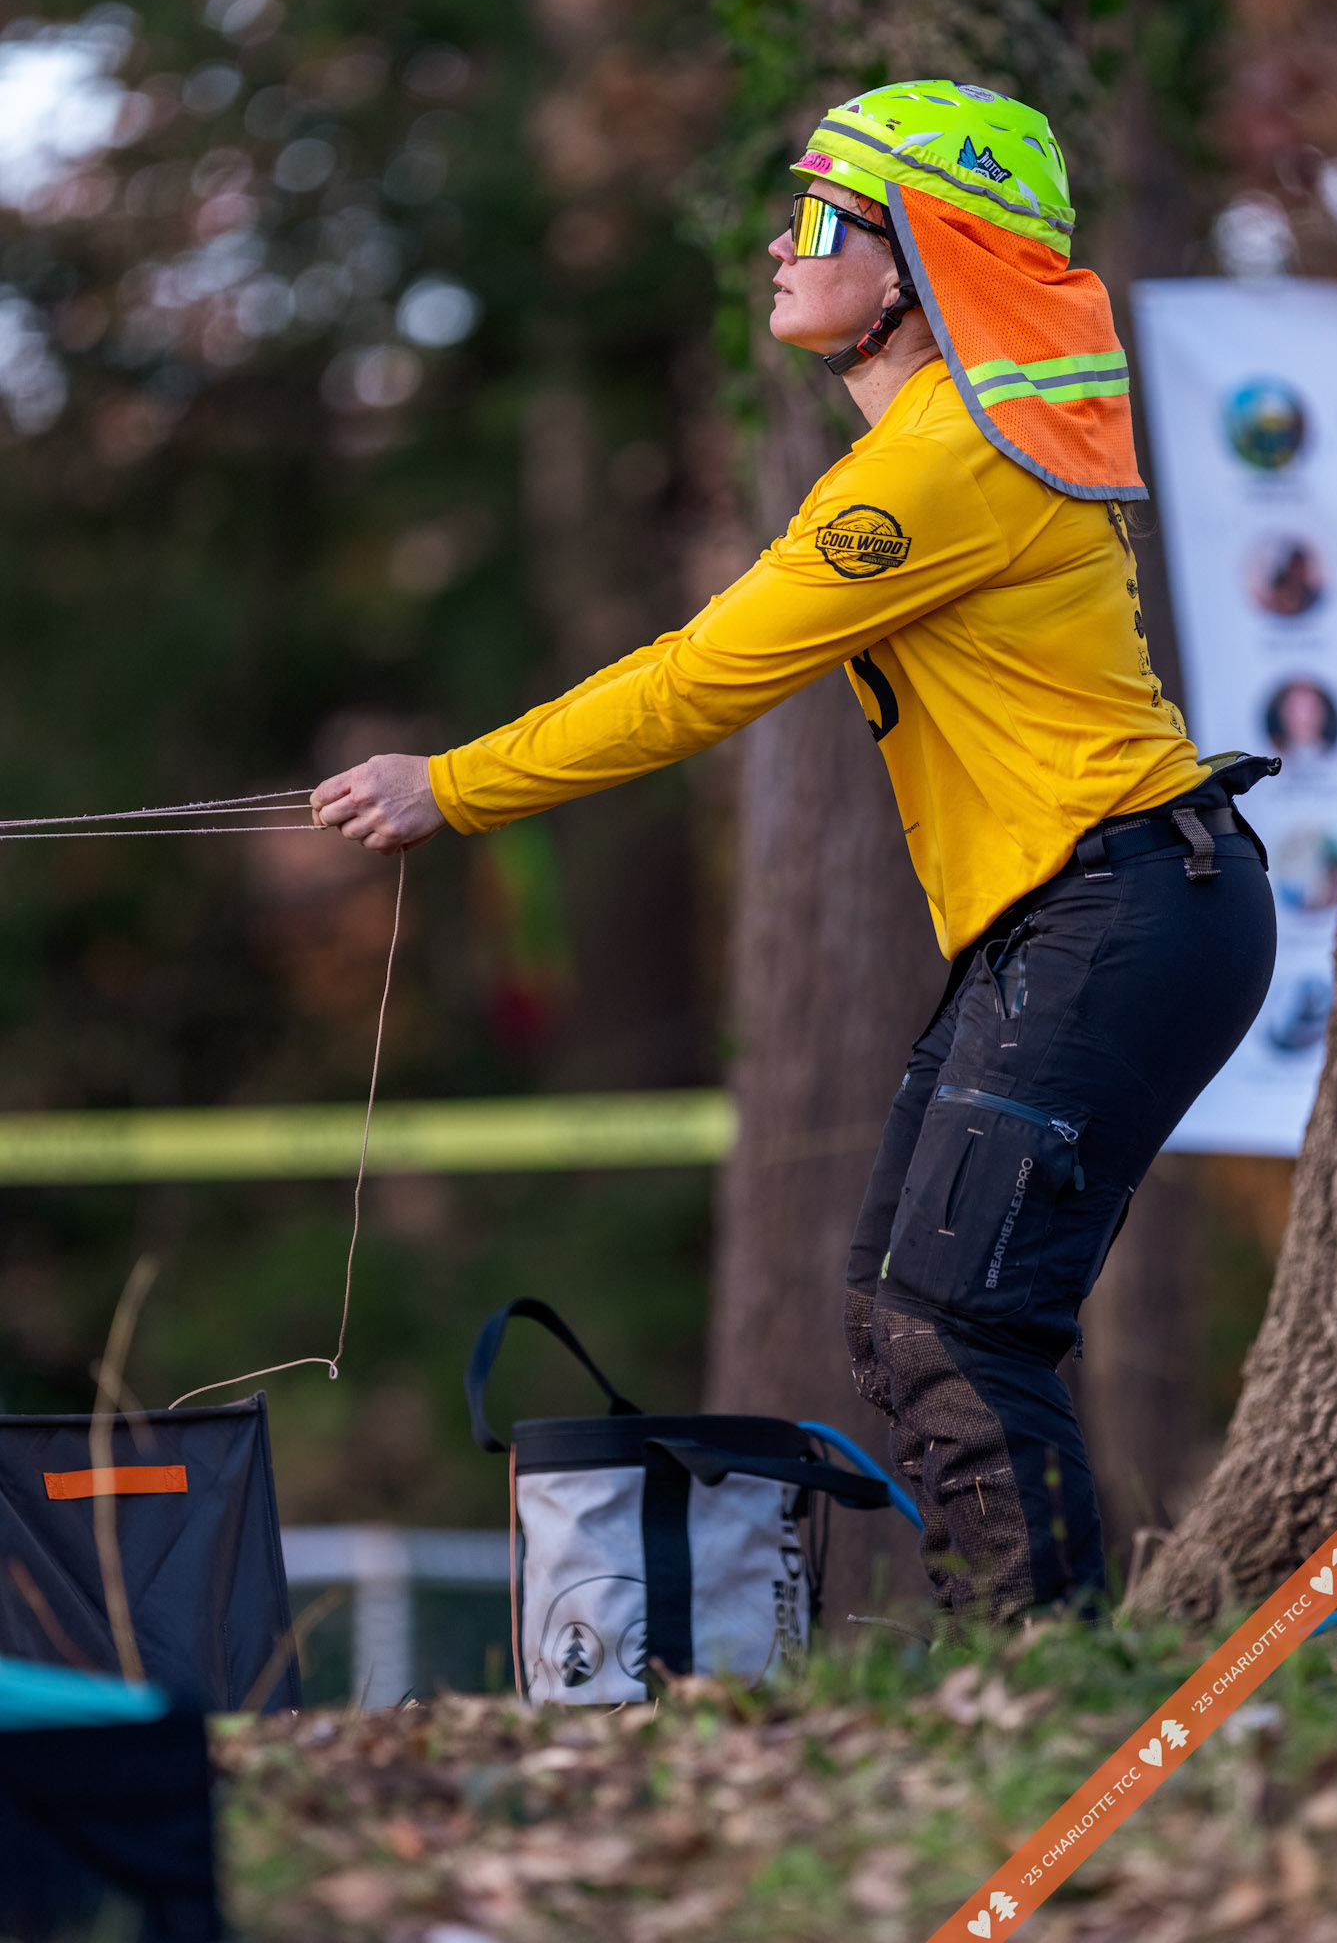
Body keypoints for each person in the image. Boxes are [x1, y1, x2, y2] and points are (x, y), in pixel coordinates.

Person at [311, 81, 1278, 1625]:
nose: (778, 243)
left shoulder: (936, 467)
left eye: (820, 217)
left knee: (953, 1321)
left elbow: (700, 680)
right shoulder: (943, 444)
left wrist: (456, 786)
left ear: (919, 262)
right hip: (1096, 909)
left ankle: (1037, 1681)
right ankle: (1021, 1670)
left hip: (1123, 905)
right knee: (904, 1311)